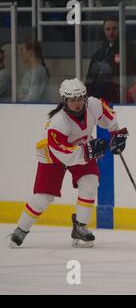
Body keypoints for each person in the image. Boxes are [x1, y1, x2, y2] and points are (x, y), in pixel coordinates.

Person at [8, 78, 128, 248]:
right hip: (52, 154)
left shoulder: (93, 105)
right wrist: (88, 151)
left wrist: (117, 134)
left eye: (80, 98)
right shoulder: (57, 123)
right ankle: (21, 229)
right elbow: (64, 155)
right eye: (72, 100)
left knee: (90, 183)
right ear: (64, 100)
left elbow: (109, 118)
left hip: (81, 148)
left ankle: (80, 227)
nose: (77, 103)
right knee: (43, 197)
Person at [86, 16, 136, 95]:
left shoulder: (131, 49)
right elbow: (90, 77)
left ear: (120, 29)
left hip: (122, 92)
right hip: (103, 93)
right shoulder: (100, 52)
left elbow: (134, 74)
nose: (111, 32)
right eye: (108, 29)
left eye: (114, 29)